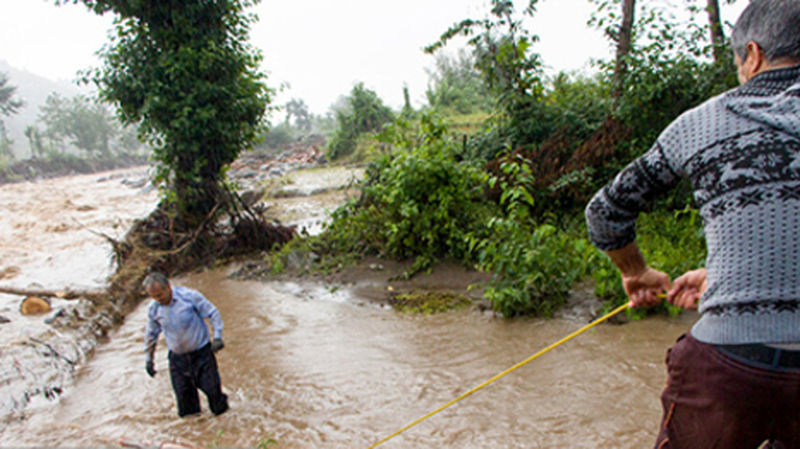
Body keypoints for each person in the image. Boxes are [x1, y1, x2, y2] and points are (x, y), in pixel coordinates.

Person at [584, 0, 800, 447]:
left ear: (753, 55)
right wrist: (723, 276)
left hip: (727, 364)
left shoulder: (701, 124)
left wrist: (635, 272)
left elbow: (606, 212)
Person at [143, 272, 229, 417]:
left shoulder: (189, 297)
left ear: (168, 287)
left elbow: (213, 313)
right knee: (187, 409)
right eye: (154, 296)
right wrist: (149, 360)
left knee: (215, 397)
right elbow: (151, 335)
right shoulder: (154, 309)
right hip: (178, 361)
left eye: (160, 295)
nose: (158, 299)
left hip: (202, 355)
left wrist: (218, 337)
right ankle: (198, 433)